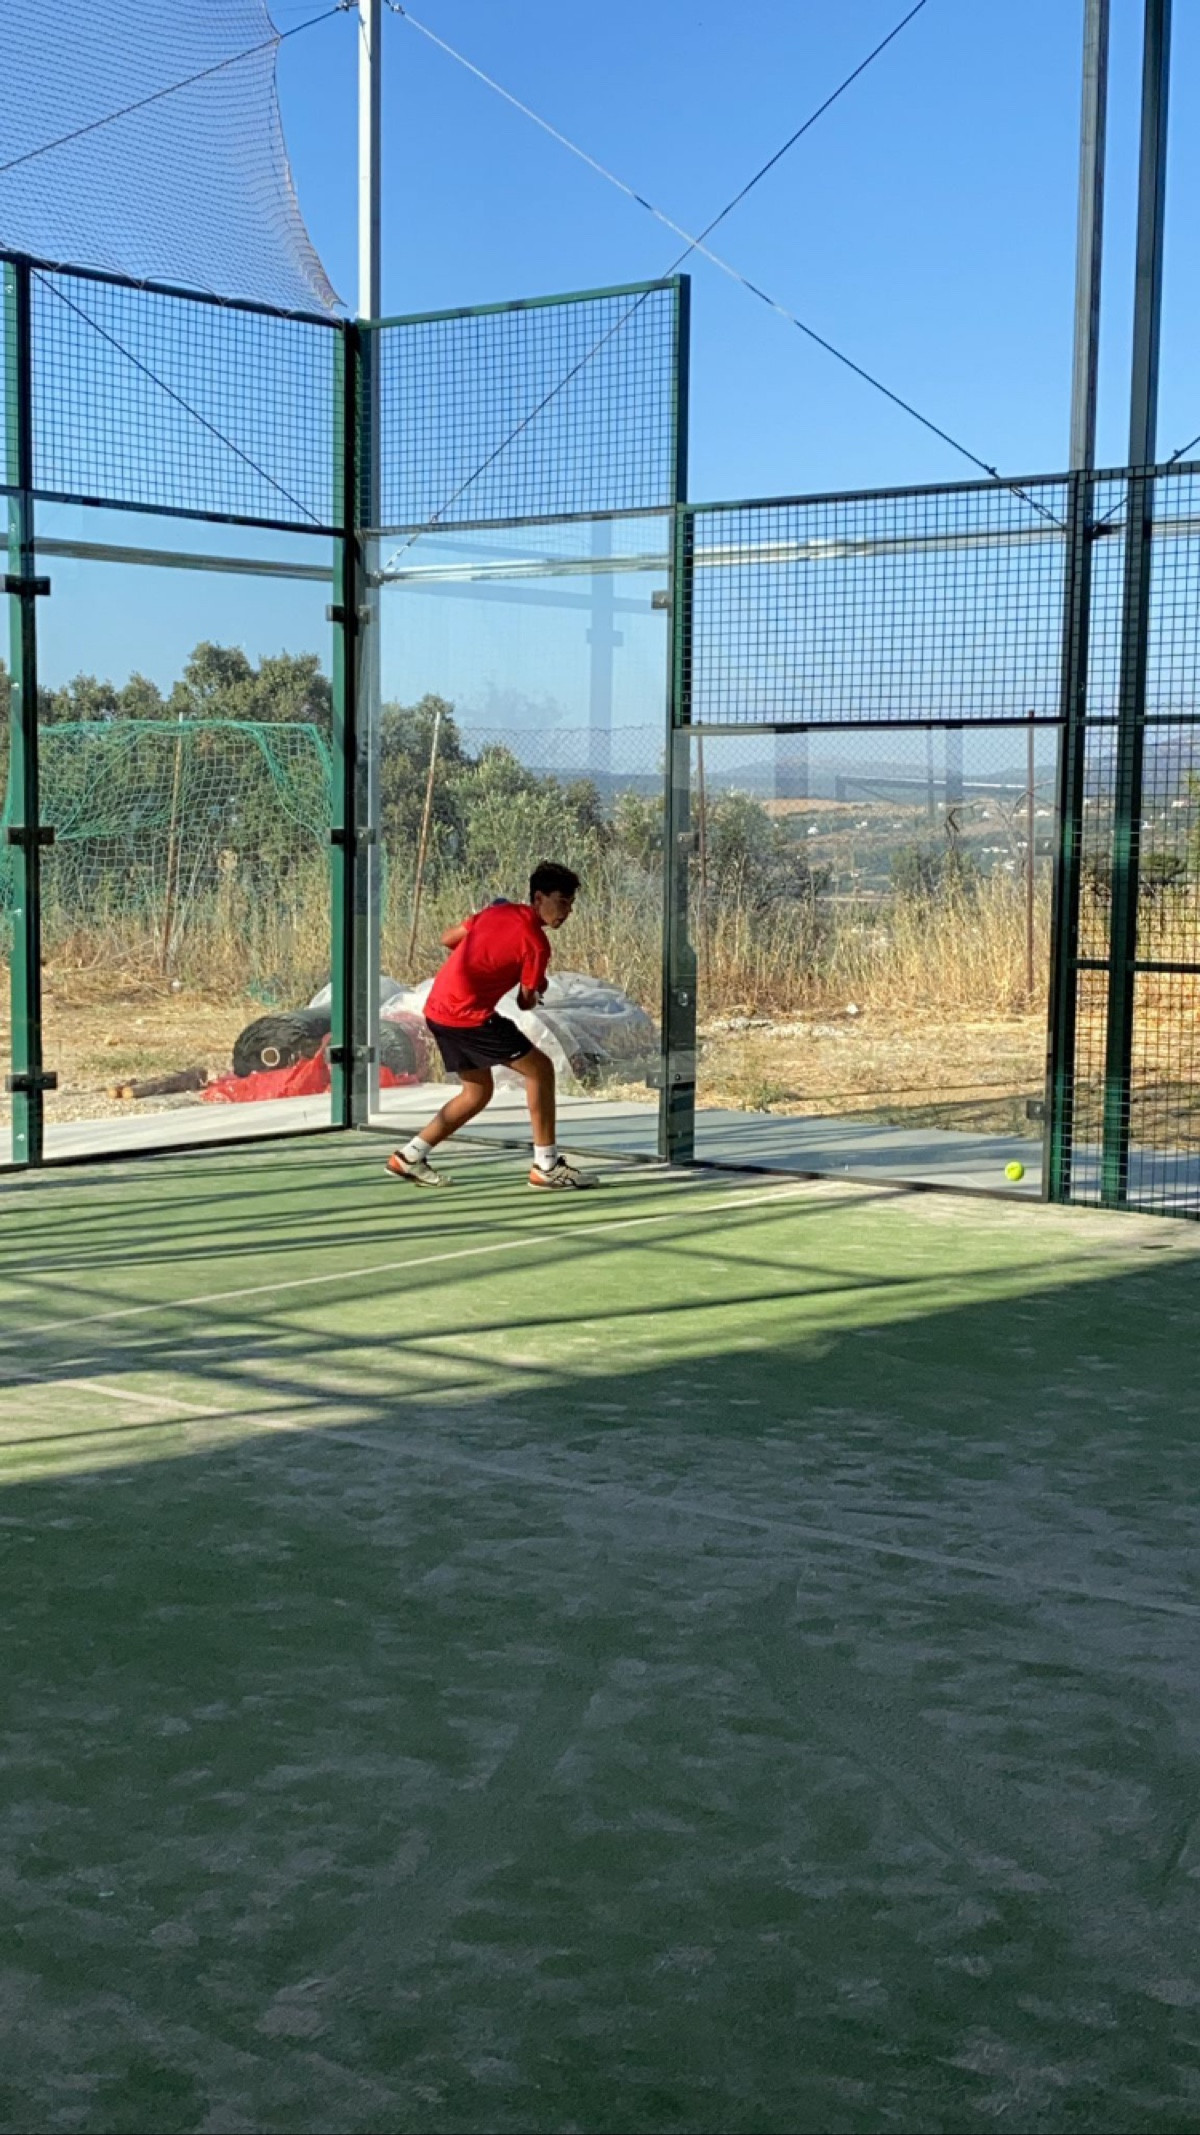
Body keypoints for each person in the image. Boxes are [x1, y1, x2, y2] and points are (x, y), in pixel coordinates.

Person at [387, 861, 596, 1191]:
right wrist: (535, 986)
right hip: (467, 1016)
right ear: (538, 898)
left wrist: (487, 946)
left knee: (476, 1092)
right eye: (561, 901)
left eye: (570, 904)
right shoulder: (537, 944)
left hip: (437, 1010)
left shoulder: (495, 913)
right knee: (541, 1070)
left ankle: (410, 1156)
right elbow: (525, 1002)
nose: (567, 911)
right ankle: (546, 1165)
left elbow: (448, 938)